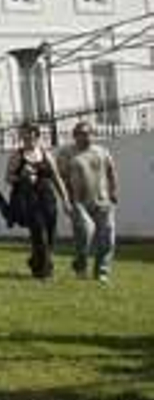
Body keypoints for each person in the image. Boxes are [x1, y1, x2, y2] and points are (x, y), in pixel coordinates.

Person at [56, 120, 119, 283]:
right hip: (78, 201)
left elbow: (111, 171)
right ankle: (80, 266)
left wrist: (114, 191)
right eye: (82, 134)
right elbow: (60, 179)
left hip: (103, 200)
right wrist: (66, 200)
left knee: (107, 238)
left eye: (89, 133)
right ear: (75, 136)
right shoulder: (66, 153)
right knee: (86, 233)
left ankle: (101, 272)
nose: (86, 136)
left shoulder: (102, 151)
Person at [7, 122, 69, 281]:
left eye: (28, 133)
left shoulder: (45, 154)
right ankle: (45, 272)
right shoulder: (17, 155)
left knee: (50, 235)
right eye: (23, 134)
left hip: (47, 197)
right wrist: (22, 176)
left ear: (35, 134)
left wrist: (65, 200)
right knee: (39, 234)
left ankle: (35, 261)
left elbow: (56, 178)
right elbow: (8, 177)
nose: (25, 137)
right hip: (28, 198)